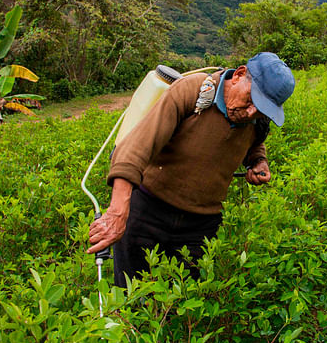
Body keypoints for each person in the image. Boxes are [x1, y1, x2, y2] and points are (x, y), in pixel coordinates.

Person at [87, 52, 296, 287]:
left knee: (185, 297)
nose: (251, 113)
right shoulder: (192, 91)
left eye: (261, 110)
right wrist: (117, 211)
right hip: (148, 210)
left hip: (201, 225)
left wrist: (258, 161)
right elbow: (136, 149)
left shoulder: (256, 119)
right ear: (238, 75)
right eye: (251, 101)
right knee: (130, 292)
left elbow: (255, 142)